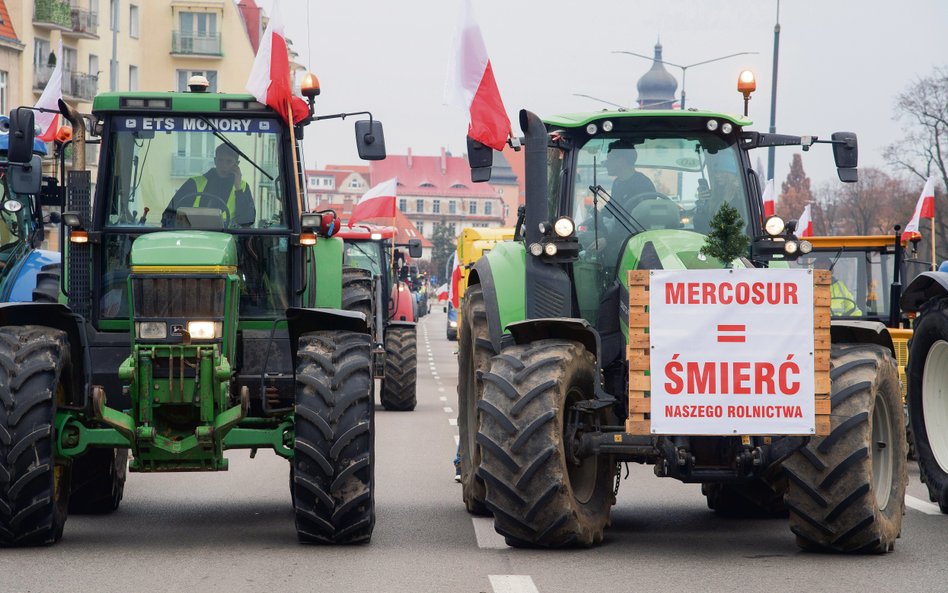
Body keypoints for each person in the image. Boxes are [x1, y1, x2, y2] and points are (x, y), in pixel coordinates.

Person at [162, 143, 256, 227]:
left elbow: (247, 221)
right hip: (194, 238)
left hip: (229, 240)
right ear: (215, 161)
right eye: (220, 160)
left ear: (237, 164)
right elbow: (169, 215)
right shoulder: (194, 183)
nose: (224, 165)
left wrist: (238, 188)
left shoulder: (242, 187)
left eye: (229, 161)